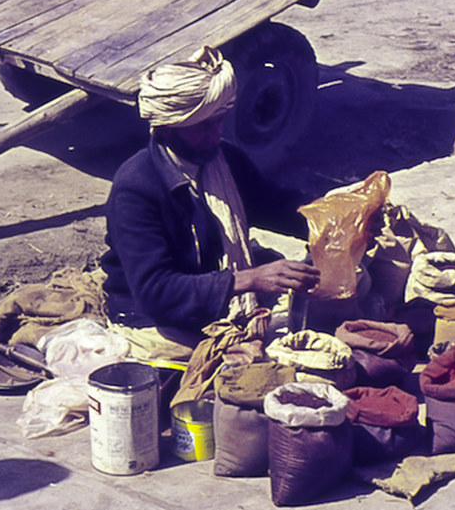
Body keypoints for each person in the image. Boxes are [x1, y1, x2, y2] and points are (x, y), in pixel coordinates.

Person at [100, 46, 320, 358]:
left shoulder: (222, 157)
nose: (215, 134)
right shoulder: (135, 188)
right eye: (202, 126)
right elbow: (156, 292)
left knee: (329, 294)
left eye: (218, 121)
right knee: (238, 357)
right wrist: (251, 279)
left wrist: (328, 214)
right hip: (150, 316)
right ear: (167, 128)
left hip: (213, 279)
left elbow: (271, 204)